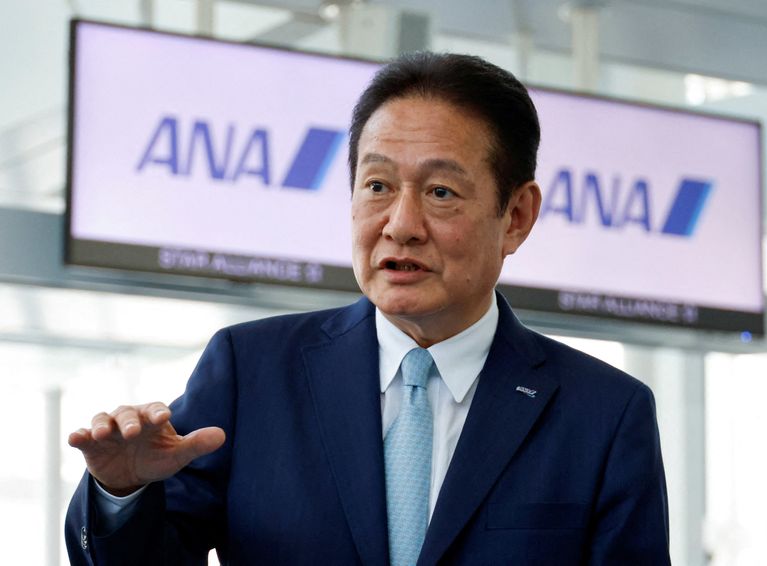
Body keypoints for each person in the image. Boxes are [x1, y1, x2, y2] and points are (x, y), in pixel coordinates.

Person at [65, 52, 670, 565]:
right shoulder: (252, 371)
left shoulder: (605, 416)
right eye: (377, 186)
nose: (400, 226)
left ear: (515, 216)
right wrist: (122, 490)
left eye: (440, 192)